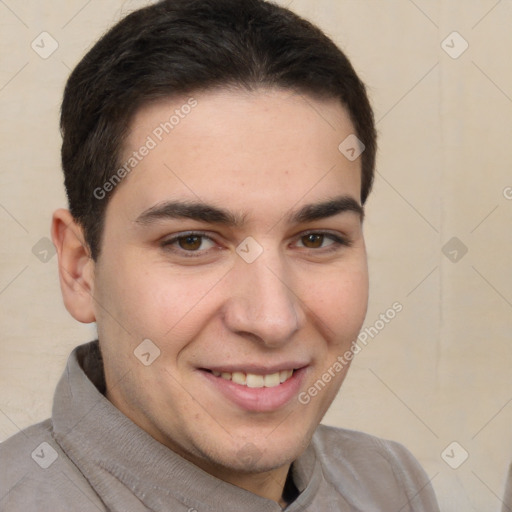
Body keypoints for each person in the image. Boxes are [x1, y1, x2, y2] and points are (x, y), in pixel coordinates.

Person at [0, 0, 440, 510]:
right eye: (192, 242)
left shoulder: (389, 484)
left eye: (316, 239)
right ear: (80, 269)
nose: (272, 320)